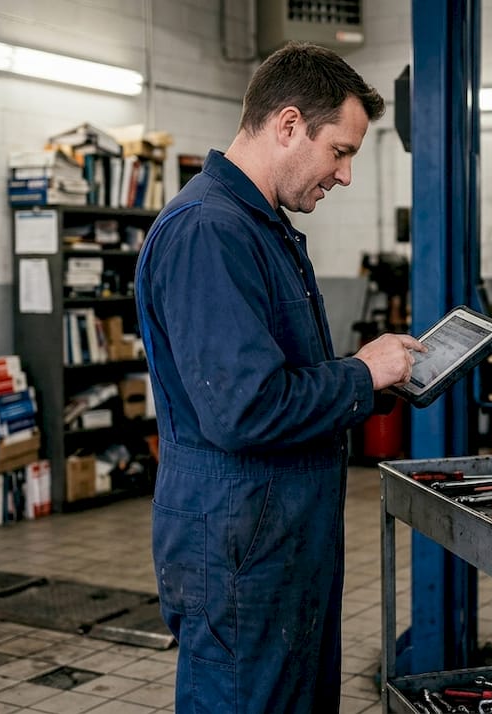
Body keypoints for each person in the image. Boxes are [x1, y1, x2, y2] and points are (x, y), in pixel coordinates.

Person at [134, 42, 424, 713]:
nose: (346, 175)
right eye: (341, 152)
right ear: (288, 125)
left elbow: (282, 379)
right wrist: (360, 373)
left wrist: (373, 380)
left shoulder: (259, 228)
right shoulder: (210, 231)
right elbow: (244, 408)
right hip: (239, 550)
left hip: (275, 540)